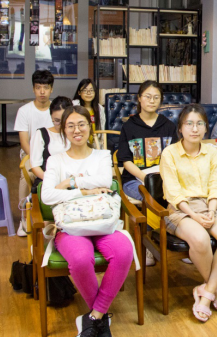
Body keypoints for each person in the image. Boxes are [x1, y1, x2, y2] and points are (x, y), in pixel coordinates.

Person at [41, 106, 134, 338]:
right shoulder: (55, 160)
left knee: (124, 251)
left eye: (81, 124)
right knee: (81, 259)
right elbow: (47, 196)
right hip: (71, 227)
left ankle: (93, 318)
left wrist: (68, 184)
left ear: (90, 127)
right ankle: (100, 319)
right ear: (63, 130)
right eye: (70, 126)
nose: (77, 130)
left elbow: (105, 180)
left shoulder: (102, 156)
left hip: (103, 222)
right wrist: (84, 190)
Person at [159, 104, 217, 323]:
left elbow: (215, 187)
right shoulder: (169, 153)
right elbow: (173, 193)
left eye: (199, 124)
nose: (194, 129)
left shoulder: (212, 152)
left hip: (208, 205)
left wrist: (212, 211)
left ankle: (206, 292)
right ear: (180, 128)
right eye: (189, 124)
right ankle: (216, 291)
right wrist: (194, 216)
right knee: (200, 238)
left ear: (206, 128)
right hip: (180, 209)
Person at [117, 81, 178, 202]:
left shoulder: (169, 126)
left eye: (156, 97)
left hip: (163, 178)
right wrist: (146, 178)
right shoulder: (129, 126)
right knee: (153, 196)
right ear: (139, 98)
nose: (152, 101)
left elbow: (174, 157)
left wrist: (161, 180)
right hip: (134, 180)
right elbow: (126, 161)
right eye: (148, 97)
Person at [14, 69, 55, 236]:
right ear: (33, 89)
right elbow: (24, 142)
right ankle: (24, 219)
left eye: (46, 88)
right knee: (26, 175)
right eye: (38, 87)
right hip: (31, 155)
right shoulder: (25, 111)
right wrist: (37, 159)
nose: (42, 92)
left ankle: (53, 219)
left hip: (55, 155)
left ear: (51, 89)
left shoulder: (57, 110)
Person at [29, 96, 73, 185]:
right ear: (51, 117)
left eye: (65, 120)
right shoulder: (42, 134)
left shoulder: (76, 133)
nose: (61, 125)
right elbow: (35, 166)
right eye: (57, 121)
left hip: (73, 180)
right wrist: (52, 180)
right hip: (48, 180)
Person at [73, 79, 106, 144]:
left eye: (91, 90)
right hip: (78, 142)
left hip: (96, 143)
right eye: (85, 90)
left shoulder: (100, 109)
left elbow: (102, 128)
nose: (88, 93)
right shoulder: (74, 106)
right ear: (79, 92)